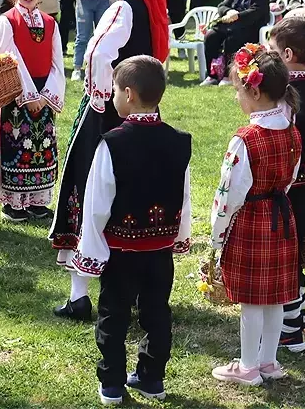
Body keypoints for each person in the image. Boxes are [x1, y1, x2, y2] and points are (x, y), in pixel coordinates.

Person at [50, 0, 169, 321]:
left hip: (112, 113)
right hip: (141, 112)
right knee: (130, 197)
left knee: (87, 191)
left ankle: (79, 294)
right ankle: (130, 287)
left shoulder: (122, 6)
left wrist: (100, 100)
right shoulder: (144, 4)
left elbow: (99, 54)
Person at [71, 55, 191, 405]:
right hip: (159, 248)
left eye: (114, 91)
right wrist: (178, 235)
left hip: (121, 250)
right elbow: (183, 196)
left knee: (114, 312)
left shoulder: (113, 142)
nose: (111, 98)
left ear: (128, 93)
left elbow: (97, 203)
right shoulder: (178, 140)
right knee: (157, 310)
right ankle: (152, 378)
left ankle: (112, 382)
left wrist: (92, 251)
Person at [210, 44, 301, 386]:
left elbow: (228, 194)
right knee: (275, 294)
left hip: (252, 219)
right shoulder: (292, 130)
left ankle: (248, 366)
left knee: (251, 298)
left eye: (238, 90)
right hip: (281, 214)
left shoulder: (246, 139)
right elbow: (291, 177)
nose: (237, 98)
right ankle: (269, 360)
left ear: (255, 89)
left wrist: (218, 232)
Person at [0, 0, 65, 222]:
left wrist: (46, 95)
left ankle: (38, 202)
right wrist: (29, 96)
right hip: (17, 92)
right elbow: (10, 58)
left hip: (44, 92)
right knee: (17, 146)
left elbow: (57, 62)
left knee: (40, 146)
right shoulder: (7, 20)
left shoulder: (51, 23)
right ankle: (14, 203)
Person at [268, 18, 305, 352]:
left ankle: (290, 329)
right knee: (296, 259)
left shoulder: (285, 95)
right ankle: (298, 319)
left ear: (287, 53)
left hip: (284, 191)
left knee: (285, 262)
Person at [200, 0, 270, 86]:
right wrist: (228, 12)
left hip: (251, 28)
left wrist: (237, 15)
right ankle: (212, 75)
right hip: (231, 26)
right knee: (211, 36)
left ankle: (228, 75)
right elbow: (221, 6)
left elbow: (256, 12)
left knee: (231, 39)